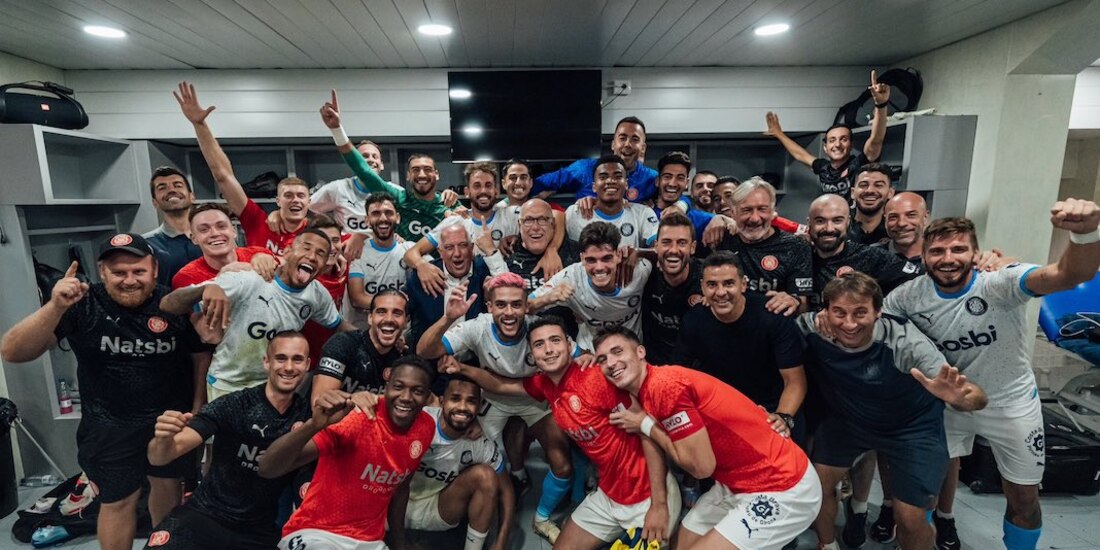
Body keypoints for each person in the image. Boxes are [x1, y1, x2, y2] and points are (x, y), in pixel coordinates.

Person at [883, 200, 1100, 550]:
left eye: (958, 249)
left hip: (1010, 403)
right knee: (922, 494)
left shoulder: (1000, 283)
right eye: (937, 251)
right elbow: (881, 335)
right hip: (944, 405)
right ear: (923, 257)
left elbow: (1069, 275)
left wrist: (1085, 233)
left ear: (976, 253)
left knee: (1024, 500)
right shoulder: (906, 298)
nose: (948, 258)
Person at [1, 234, 205, 550]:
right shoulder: (82, 304)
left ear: (154, 269)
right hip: (108, 425)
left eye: (138, 271)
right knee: (117, 501)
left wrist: (197, 409)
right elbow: (13, 351)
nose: (129, 280)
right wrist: (54, 306)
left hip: (168, 422)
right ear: (102, 271)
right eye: (119, 272)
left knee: (168, 491)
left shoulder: (173, 305)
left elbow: (199, 359)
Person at [443, 316, 681, 549]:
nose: (548, 350)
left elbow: (646, 432)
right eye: (539, 344)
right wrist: (462, 368)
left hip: (649, 495)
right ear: (532, 355)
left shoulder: (598, 377)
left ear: (569, 345)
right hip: (609, 494)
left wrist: (659, 505)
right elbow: (500, 385)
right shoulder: (546, 385)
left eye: (555, 340)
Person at [797, 272, 988, 550]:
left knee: (910, 518)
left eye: (860, 312)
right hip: (849, 423)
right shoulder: (813, 328)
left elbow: (976, 396)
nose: (849, 324)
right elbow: (767, 333)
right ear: (825, 312)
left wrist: (961, 398)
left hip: (911, 428)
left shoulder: (905, 342)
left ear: (878, 312)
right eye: (839, 312)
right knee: (816, 489)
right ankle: (827, 544)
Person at [598, 326, 821, 550]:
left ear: (640, 352)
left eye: (618, 351)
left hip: (781, 485)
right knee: (680, 545)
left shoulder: (663, 386)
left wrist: (646, 425)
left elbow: (701, 468)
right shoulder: (648, 389)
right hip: (735, 483)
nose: (611, 363)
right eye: (602, 359)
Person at [417, 273, 576, 543]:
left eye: (516, 304)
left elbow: (580, 356)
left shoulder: (540, 331)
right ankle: (503, 492)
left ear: (527, 307)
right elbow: (424, 351)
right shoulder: (476, 327)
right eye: (501, 305)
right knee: (481, 463)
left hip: (536, 399)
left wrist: (588, 358)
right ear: (489, 307)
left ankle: (541, 518)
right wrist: (448, 318)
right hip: (493, 399)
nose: (509, 312)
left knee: (563, 465)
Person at [143, 331, 313, 550]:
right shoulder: (235, 404)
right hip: (205, 515)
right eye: (281, 358)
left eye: (297, 359)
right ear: (266, 362)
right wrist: (164, 438)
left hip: (257, 530)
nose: (289, 367)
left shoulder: (307, 418)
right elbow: (160, 457)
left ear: (308, 364)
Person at [258, 356, 437, 550]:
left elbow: (401, 487)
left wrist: (399, 544)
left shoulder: (425, 427)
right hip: (316, 533)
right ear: (387, 386)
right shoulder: (357, 418)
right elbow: (268, 468)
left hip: (370, 541)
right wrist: (315, 424)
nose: (406, 397)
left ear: (428, 396)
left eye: (417, 391)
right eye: (398, 387)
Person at [159, 229, 350, 400]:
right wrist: (206, 289)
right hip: (228, 383)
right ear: (287, 252)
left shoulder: (317, 294)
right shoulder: (247, 280)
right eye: (306, 248)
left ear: (325, 264)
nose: (312, 256)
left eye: (320, 253)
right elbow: (168, 305)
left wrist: (372, 338)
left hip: (274, 386)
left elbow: (339, 325)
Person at [675, 252, 807, 439]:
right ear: (703, 287)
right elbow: (679, 376)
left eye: (729, 283)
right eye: (712, 285)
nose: (721, 292)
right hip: (724, 411)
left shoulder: (773, 316)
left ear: (743, 284)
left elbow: (795, 381)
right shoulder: (693, 321)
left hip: (773, 407)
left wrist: (783, 417)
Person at [174, 82, 309, 255]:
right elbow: (224, 176)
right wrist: (200, 125)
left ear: (309, 202)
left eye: (301, 196)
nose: (295, 200)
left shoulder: (318, 231)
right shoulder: (257, 221)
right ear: (277, 201)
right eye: (288, 195)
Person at [323, 90, 454, 241]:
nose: (422, 175)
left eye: (428, 170)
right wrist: (336, 129)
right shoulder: (398, 197)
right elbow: (363, 170)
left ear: (437, 174)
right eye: (415, 170)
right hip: (403, 263)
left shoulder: (450, 203)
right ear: (408, 175)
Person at [404, 377, 514, 550]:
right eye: (455, 398)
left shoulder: (480, 443)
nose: (462, 407)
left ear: (479, 407)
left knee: (486, 476)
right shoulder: (417, 421)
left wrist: (501, 542)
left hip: (438, 510)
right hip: (394, 506)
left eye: (471, 401)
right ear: (441, 401)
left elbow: (506, 492)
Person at [405, 162, 541, 297]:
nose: (483, 191)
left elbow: (552, 217)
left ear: (496, 190)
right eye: (477, 186)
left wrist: (548, 249)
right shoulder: (455, 223)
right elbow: (411, 253)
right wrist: (422, 266)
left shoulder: (513, 215)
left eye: (488, 185)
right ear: (467, 192)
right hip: (470, 295)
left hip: (506, 295)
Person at [765, 71, 890, 201]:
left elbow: (876, 140)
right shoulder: (824, 168)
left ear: (851, 144)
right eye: (832, 140)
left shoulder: (860, 165)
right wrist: (779, 134)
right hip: (831, 218)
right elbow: (800, 155)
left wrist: (881, 105)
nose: (837, 145)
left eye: (843, 139)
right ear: (825, 147)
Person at [530, 221, 653, 351]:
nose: (599, 267)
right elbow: (524, 306)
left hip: (631, 351)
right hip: (590, 354)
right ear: (582, 258)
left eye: (606, 258)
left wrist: (640, 252)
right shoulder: (570, 278)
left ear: (618, 255)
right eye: (591, 260)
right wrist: (547, 298)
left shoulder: (638, 271)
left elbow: (668, 255)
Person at [717, 177, 814, 314]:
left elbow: (803, 306)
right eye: (746, 210)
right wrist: (715, 219)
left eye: (762, 209)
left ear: (773, 212)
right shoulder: (721, 239)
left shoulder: (796, 246)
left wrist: (793, 300)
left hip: (774, 328)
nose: (755, 218)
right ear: (733, 213)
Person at [807, 194, 920, 311]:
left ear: (848, 222)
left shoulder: (870, 256)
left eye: (837, 221)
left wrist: (883, 314)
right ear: (809, 223)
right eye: (820, 221)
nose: (829, 228)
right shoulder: (800, 257)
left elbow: (920, 279)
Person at [406, 222, 508, 346]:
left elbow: (509, 291)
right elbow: (414, 325)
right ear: (440, 252)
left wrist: (491, 250)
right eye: (449, 247)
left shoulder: (485, 269)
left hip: (476, 357)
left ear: (471, 248)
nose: (457, 253)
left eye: (463, 245)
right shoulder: (422, 276)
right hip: (432, 357)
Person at [532, 116, 658, 202]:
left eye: (634, 139)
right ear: (613, 144)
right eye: (622, 138)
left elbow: (675, 191)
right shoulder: (584, 169)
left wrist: (677, 206)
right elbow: (540, 183)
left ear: (643, 148)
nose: (627, 144)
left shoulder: (651, 179)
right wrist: (551, 188)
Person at [315, 289, 409, 396]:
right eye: (381, 312)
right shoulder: (343, 344)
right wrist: (353, 401)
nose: (389, 319)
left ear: (406, 321)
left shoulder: (403, 359)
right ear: (370, 318)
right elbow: (319, 405)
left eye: (397, 313)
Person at [642, 212, 703, 365]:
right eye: (666, 242)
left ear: (693, 247)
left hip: (698, 365)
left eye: (682, 243)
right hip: (654, 365)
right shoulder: (643, 274)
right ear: (656, 246)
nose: (674, 250)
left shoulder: (709, 278)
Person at [171, 203, 277, 289]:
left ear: (234, 231)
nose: (215, 233)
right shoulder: (186, 277)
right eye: (204, 229)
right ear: (194, 238)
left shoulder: (260, 254)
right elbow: (198, 315)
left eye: (221, 226)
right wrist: (220, 281)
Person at [565, 155, 660, 248]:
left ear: (626, 184)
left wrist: (637, 253)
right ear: (594, 186)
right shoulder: (575, 213)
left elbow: (659, 248)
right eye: (603, 177)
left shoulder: (643, 213)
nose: (610, 181)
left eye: (618, 176)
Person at [346, 192, 417, 317]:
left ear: (398, 218)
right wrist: (399, 304)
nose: (383, 218)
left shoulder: (410, 249)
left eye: (388, 213)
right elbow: (357, 298)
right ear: (367, 220)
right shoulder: (358, 250)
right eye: (376, 214)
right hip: (363, 330)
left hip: (402, 330)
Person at [143, 166, 202, 287]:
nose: (171, 190)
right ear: (155, 202)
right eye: (162, 187)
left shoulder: (214, 236)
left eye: (178, 185)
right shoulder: (146, 244)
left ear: (192, 196)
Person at [848, 163, 895, 245]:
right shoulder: (838, 225)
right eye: (863, 185)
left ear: (890, 193)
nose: (870, 190)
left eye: (878, 185)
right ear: (852, 192)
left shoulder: (896, 228)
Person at [884, 191, 930, 265]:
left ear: (925, 218)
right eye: (893, 217)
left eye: (911, 215)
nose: (901, 223)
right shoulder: (871, 256)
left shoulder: (940, 256)